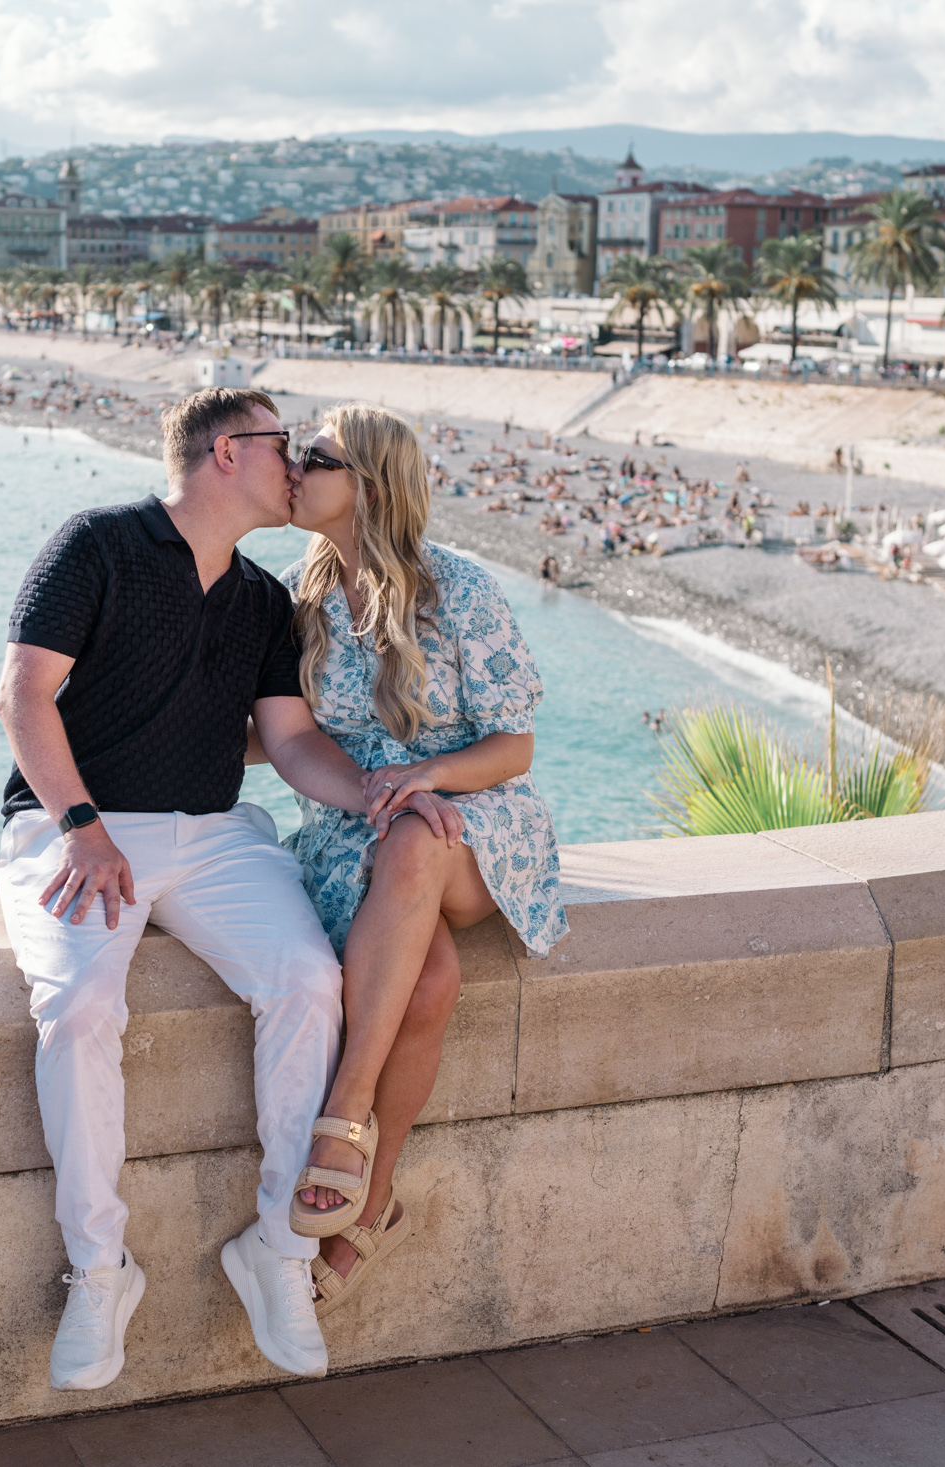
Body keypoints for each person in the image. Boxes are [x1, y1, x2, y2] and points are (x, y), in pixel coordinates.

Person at [0, 386, 461, 1390]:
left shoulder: (262, 600)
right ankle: (97, 1268)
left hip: (213, 835)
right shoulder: (96, 546)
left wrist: (380, 793)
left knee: (304, 979)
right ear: (223, 455)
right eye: (279, 446)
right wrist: (81, 829)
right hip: (73, 829)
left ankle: (281, 1252)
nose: (294, 463)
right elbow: (21, 699)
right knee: (77, 1007)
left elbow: (290, 743)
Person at [276, 402, 568, 1318]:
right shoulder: (302, 594)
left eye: (311, 457)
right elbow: (279, 736)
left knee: (417, 834)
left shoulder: (458, 589)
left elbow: (514, 745)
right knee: (430, 980)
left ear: (364, 483)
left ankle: (345, 1115)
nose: (291, 467)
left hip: (477, 821)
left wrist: (424, 775)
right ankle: (380, 1192)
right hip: (358, 825)